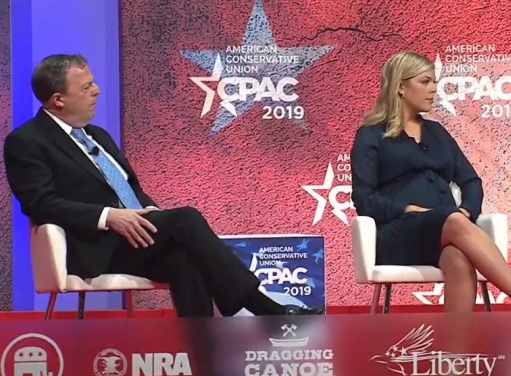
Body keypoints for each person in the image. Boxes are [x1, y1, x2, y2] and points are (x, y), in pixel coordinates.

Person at [4, 54, 323, 317]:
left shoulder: (97, 135)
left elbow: (129, 187)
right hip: (95, 245)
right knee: (186, 218)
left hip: (136, 237)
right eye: (86, 87)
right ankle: (264, 308)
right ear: (58, 100)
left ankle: (201, 352)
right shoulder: (27, 141)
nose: (97, 91)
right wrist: (108, 216)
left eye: (94, 83)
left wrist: (150, 211)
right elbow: (40, 204)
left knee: (186, 259)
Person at [350, 51, 511, 313]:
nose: (434, 89)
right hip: (397, 235)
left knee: (458, 258)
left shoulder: (437, 132)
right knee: (453, 220)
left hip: (444, 232)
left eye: (434, 82)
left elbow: (471, 181)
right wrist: (409, 209)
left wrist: (466, 212)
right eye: (425, 82)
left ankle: (455, 340)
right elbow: (364, 198)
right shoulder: (371, 135)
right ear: (400, 87)